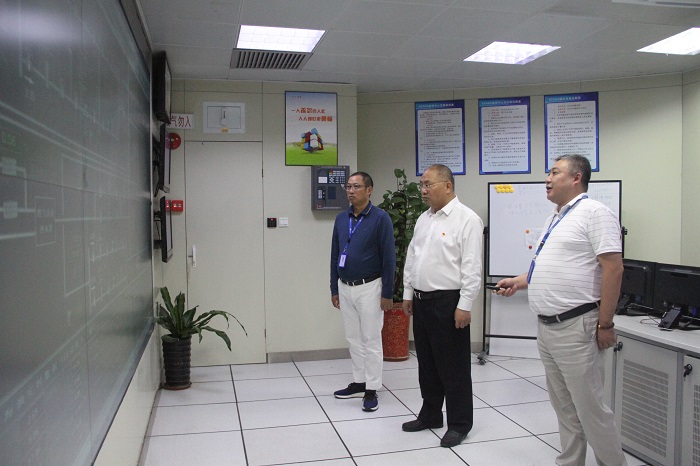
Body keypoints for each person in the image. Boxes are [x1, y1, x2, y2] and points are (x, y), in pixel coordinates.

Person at [494, 154, 627, 466]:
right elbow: (546, 268)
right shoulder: (556, 217)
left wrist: (605, 324)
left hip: (577, 327)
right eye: (548, 173)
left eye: (555, 172)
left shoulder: (595, 213)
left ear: (577, 178)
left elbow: (614, 268)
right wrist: (518, 282)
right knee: (565, 409)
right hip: (547, 328)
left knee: (591, 411)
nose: (548, 179)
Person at [400, 164, 483, 448]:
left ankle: (459, 424)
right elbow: (412, 258)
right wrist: (408, 293)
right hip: (421, 301)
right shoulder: (424, 219)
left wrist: (465, 305)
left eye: (428, 184)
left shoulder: (467, 219)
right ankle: (431, 414)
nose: (423, 190)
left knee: (454, 367)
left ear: (448, 186)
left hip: (449, 303)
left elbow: (472, 267)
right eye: (421, 185)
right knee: (427, 364)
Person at [330, 171, 396, 412]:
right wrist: (334, 288)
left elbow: (389, 258)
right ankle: (359, 382)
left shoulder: (380, 218)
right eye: (348, 186)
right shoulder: (341, 219)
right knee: (353, 339)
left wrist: (387, 293)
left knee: (371, 339)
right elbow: (335, 255)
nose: (350, 191)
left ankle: (372, 388)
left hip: (370, 288)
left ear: (369, 190)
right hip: (345, 287)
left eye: (356, 186)